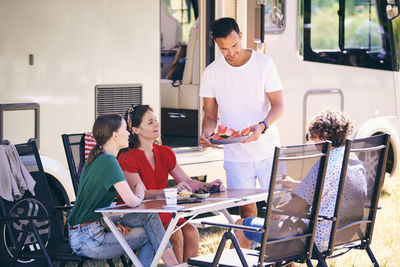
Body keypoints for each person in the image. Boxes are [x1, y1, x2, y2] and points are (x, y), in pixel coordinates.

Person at [234, 109, 367, 255]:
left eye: (313, 136)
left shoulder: (325, 164)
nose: (312, 141)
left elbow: (294, 207)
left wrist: (273, 212)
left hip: (315, 239)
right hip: (345, 234)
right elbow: (330, 188)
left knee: (241, 226)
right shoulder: (353, 161)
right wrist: (295, 184)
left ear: (323, 136)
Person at [199, 17, 284, 219]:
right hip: (236, 155)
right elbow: (210, 116)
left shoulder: (264, 64)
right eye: (224, 49)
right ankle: (246, 250)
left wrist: (262, 126)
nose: (231, 53)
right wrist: (206, 133)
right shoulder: (211, 73)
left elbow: (279, 105)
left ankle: (278, 250)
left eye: (235, 45)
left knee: (278, 208)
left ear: (241, 36)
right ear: (217, 45)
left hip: (268, 150)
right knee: (246, 211)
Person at [117, 105, 225, 263]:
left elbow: (187, 181)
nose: (156, 124)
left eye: (156, 120)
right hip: (141, 214)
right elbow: (141, 194)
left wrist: (207, 186)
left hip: (162, 209)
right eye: (150, 122)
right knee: (175, 234)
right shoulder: (128, 157)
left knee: (192, 232)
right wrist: (170, 191)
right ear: (135, 130)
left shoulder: (164, 152)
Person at [67, 114, 178, 266]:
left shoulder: (97, 158)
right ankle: (173, 264)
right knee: (152, 234)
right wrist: (140, 191)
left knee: (151, 224)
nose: (128, 133)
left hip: (85, 231)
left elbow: (91, 206)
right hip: (89, 240)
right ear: (115, 135)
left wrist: (110, 225)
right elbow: (132, 201)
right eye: (125, 129)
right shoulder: (109, 161)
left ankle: (173, 264)